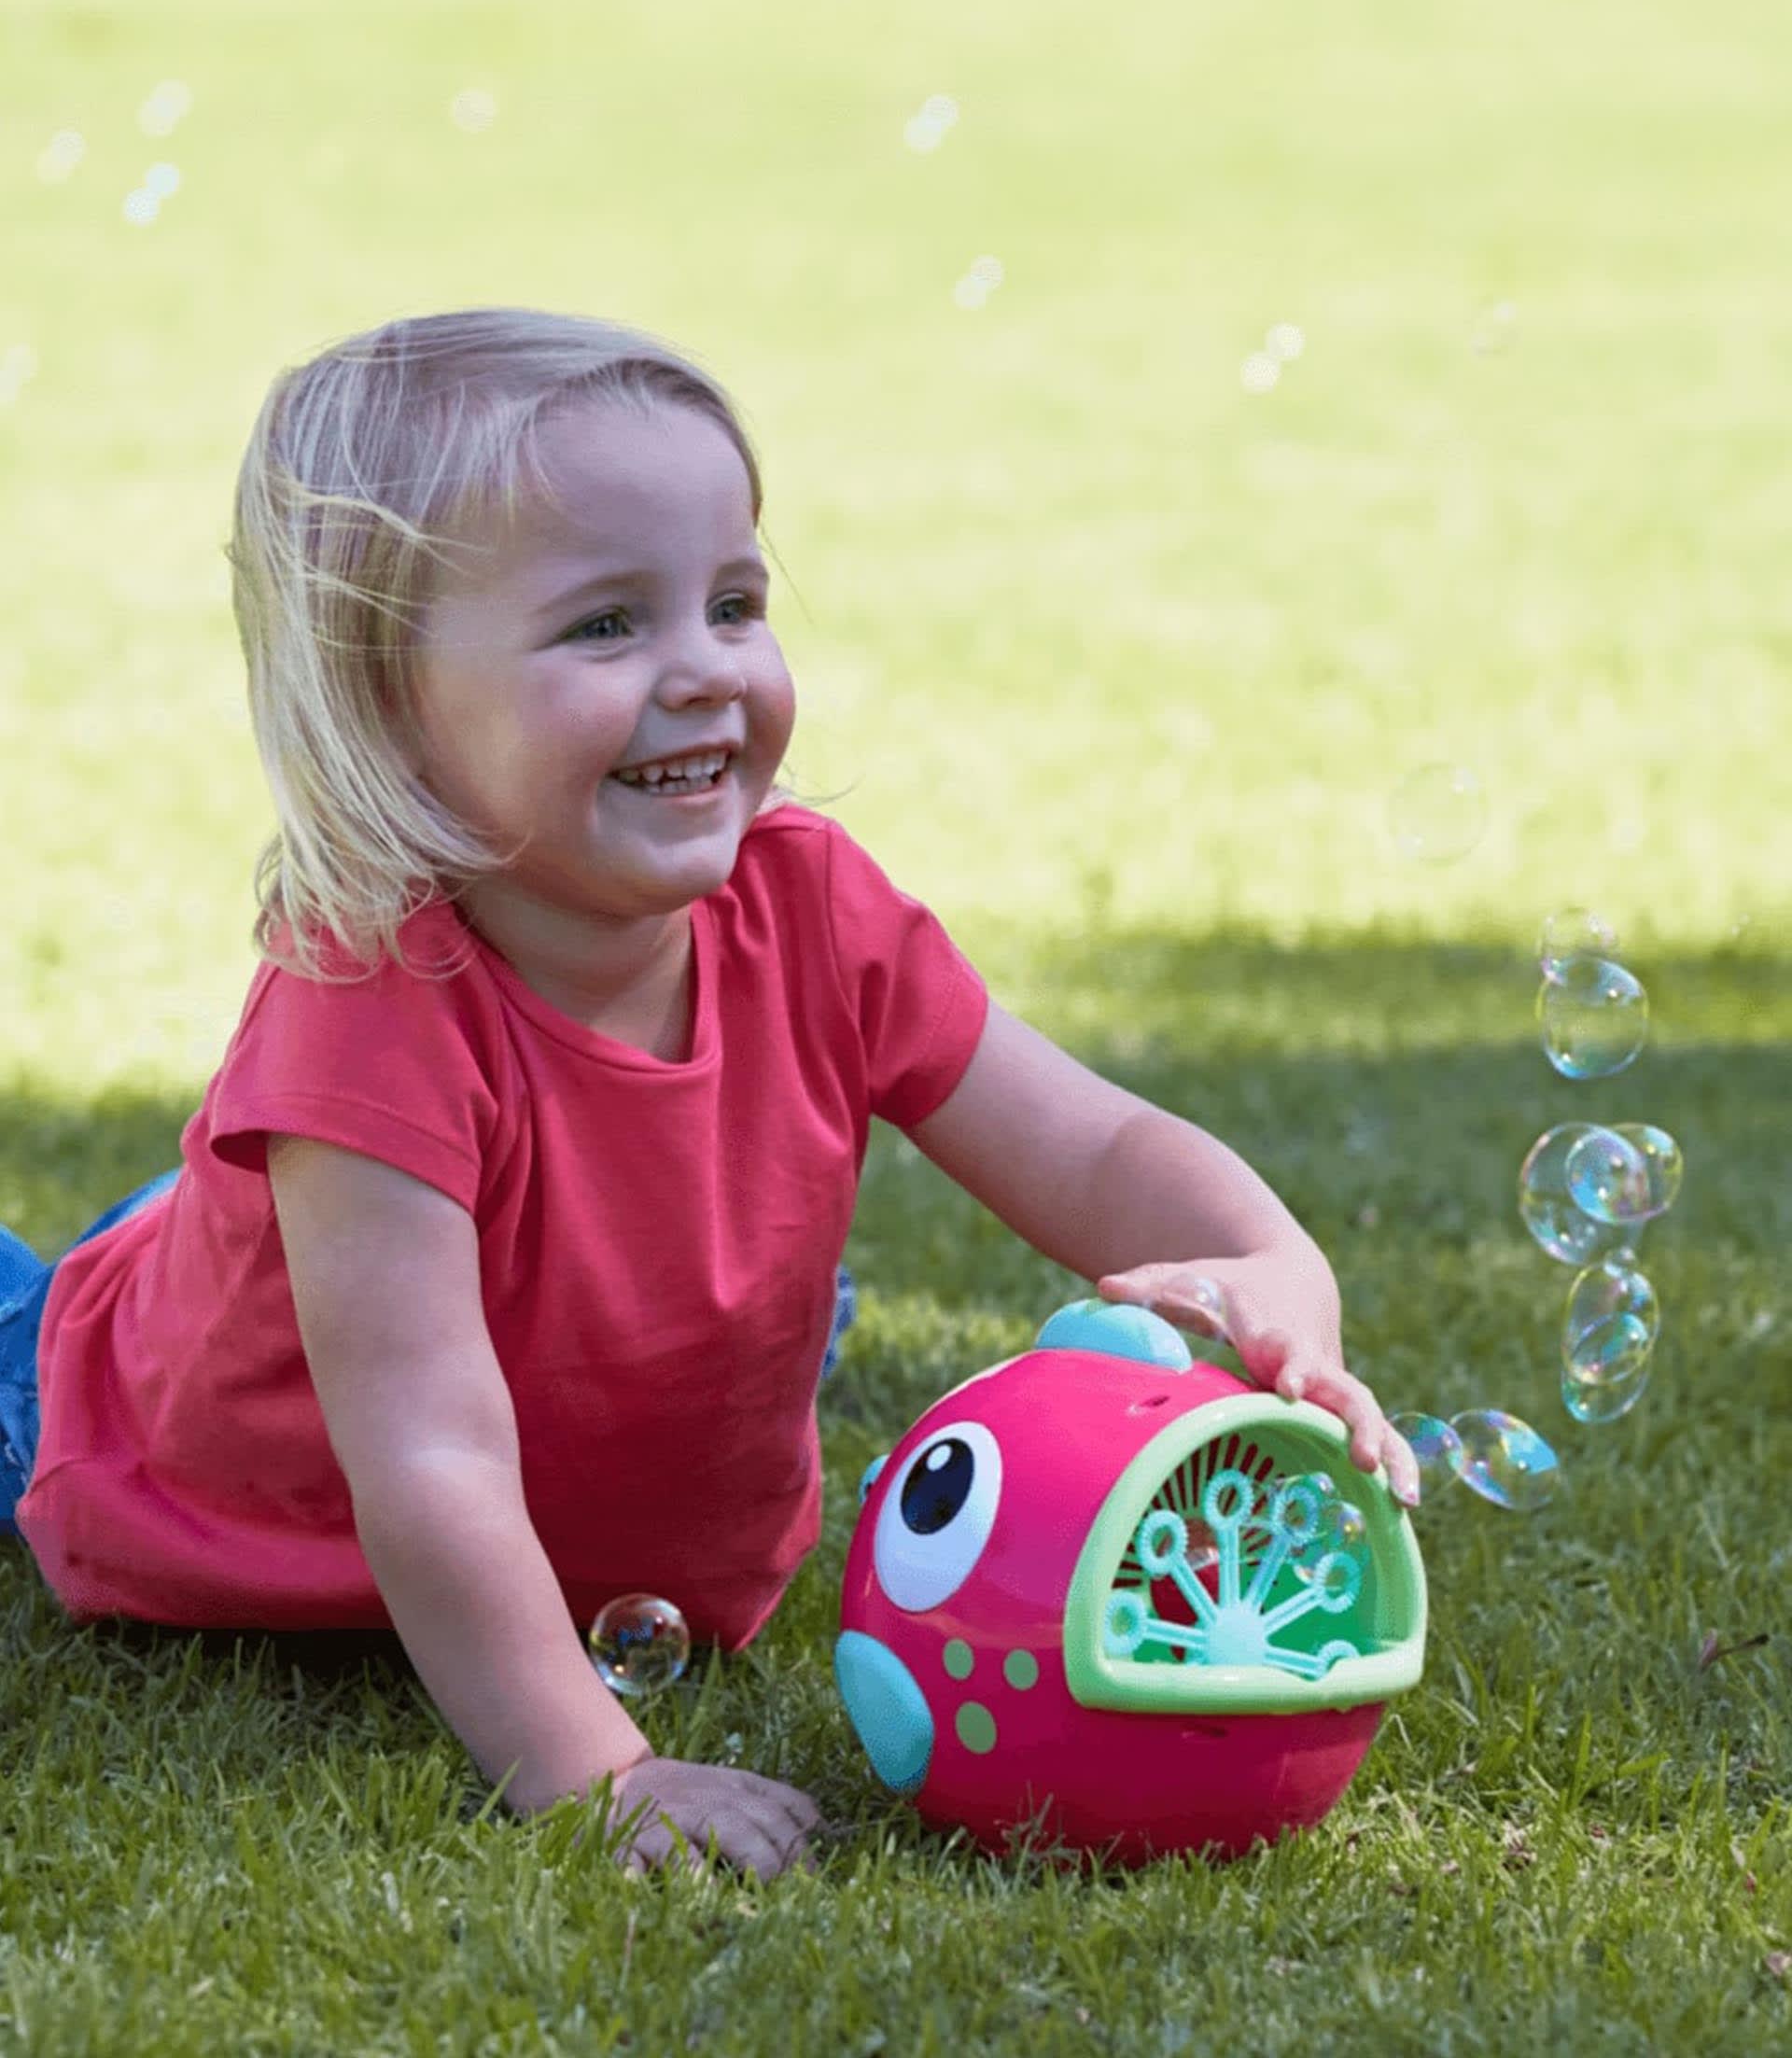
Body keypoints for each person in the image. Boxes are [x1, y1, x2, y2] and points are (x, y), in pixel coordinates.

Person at [0, 308, 1421, 1885]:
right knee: (68, 1316)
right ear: (391, 708)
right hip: (171, 1432)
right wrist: (597, 1771)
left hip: (461, 1296)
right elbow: (431, 1461)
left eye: (734, 603)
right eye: (606, 627)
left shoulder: (811, 908)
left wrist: (1281, 1270)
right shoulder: (371, 1000)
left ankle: (218, 1221)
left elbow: (1091, 1141)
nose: (703, 674)